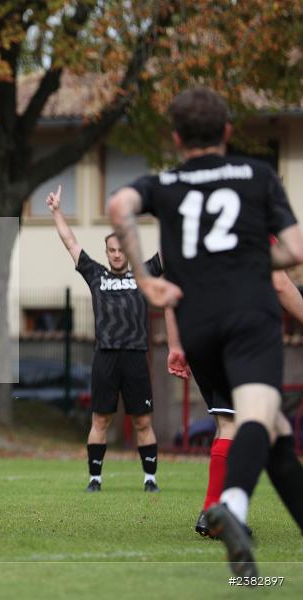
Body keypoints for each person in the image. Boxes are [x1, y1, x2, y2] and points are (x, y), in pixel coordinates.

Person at [108, 87, 303, 577]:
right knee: (258, 415)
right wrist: (251, 257)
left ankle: (235, 514)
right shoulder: (257, 175)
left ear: (176, 138)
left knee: (273, 429)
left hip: (197, 322)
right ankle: (232, 506)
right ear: (229, 132)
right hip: (248, 314)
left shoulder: (166, 182)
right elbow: (295, 250)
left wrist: (146, 278)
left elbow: (117, 206)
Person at [166, 269, 303, 537]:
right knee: (244, 424)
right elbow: (280, 282)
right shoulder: (252, 228)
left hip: (197, 336)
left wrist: (175, 344)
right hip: (236, 337)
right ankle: (217, 513)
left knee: (229, 422)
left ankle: (219, 510)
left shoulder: (187, 228)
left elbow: (170, 287)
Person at [47, 185, 162, 493]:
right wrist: (57, 211)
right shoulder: (96, 274)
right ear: (107, 252)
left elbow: (171, 251)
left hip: (136, 355)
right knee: (100, 421)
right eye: (111, 250)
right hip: (106, 357)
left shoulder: (145, 271)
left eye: (121, 249)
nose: (116, 254)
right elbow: (70, 242)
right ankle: (94, 479)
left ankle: (150, 479)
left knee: (142, 422)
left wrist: (174, 210)